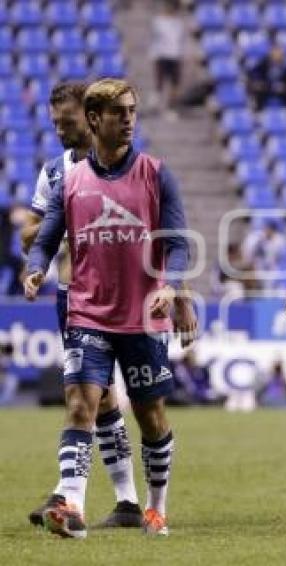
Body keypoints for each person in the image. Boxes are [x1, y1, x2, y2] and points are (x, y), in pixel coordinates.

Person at [25, 78, 196, 538]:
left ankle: (154, 508)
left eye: (133, 111)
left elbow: (178, 244)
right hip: (86, 313)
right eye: (119, 112)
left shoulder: (157, 174)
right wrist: (35, 268)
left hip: (142, 316)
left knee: (150, 416)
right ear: (96, 119)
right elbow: (44, 238)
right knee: (82, 403)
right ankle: (72, 507)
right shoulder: (70, 181)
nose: (128, 120)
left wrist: (172, 286)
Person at [21, 82, 143, 530]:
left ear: (90, 119)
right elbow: (30, 233)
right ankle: (120, 500)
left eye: (67, 123)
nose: (59, 131)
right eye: (55, 124)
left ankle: (72, 493)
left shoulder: (124, 168)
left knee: (97, 399)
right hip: (72, 296)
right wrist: (60, 217)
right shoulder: (55, 173)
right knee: (98, 398)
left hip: (118, 295)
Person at [150, 0, 185, 118]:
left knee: (175, 85)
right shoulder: (159, 22)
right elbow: (155, 40)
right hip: (162, 55)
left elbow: (179, 41)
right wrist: (154, 56)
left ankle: (171, 108)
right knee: (160, 82)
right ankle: (157, 103)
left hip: (175, 56)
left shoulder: (178, 23)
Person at [247, 46, 286, 111]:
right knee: (258, 91)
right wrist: (268, 85)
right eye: (277, 54)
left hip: (281, 91)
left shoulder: (285, 68)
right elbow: (255, 76)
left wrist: (285, 86)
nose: (279, 56)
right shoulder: (262, 65)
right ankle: (258, 112)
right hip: (266, 89)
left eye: (281, 54)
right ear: (271, 54)